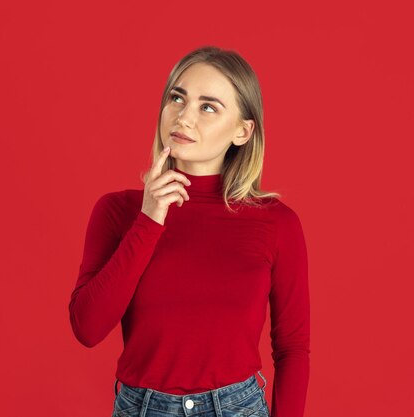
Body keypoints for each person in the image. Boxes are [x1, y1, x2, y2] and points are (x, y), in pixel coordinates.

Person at [69, 45, 310, 417]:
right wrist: (149, 220)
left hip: (236, 408)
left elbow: (292, 347)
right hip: (142, 408)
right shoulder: (118, 211)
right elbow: (87, 328)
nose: (183, 117)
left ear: (243, 131)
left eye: (208, 106)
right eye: (177, 98)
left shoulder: (276, 223)